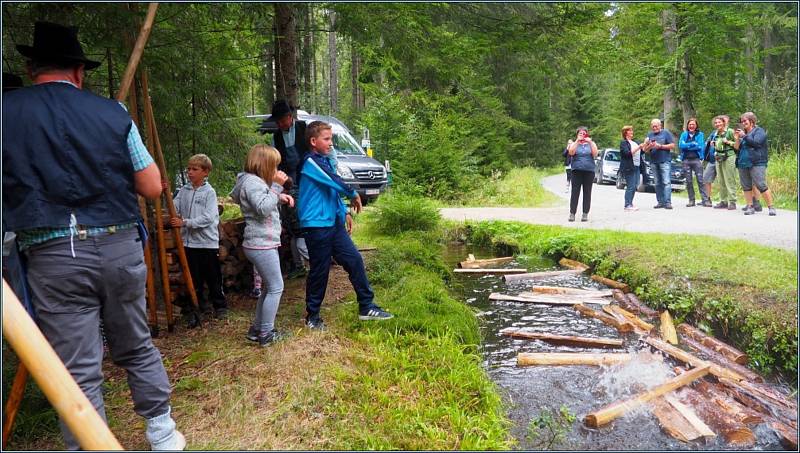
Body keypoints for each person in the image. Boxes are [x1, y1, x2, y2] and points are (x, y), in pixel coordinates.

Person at [2, 22, 183, 450]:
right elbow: (153, 186)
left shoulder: (6, 113)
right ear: (79, 71)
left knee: (78, 368)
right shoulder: (112, 114)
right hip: (119, 247)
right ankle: (163, 433)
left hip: (53, 256)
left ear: (31, 69)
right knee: (136, 344)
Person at [298, 121, 393, 329]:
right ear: (313, 141)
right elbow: (333, 181)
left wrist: (344, 212)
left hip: (333, 224)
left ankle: (366, 306)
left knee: (354, 260)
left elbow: (330, 192)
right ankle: (312, 317)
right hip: (316, 226)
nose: (331, 143)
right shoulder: (310, 162)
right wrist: (352, 193)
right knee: (320, 270)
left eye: (331, 139)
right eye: (327, 139)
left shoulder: (325, 161)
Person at [230, 144, 294, 346]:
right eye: (274, 166)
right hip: (261, 243)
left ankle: (257, 329)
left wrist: (279, 197)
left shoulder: (251, 182)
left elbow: (261, 202)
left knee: (268, 287)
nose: (276, 171)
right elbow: (262, 209)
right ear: (264, 165)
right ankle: (266, 333)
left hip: (259, 242)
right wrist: (276, 187)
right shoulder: (254, 183)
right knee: (276, 287)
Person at [170, 154, 228, 323]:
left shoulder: (209, 192)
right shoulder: (184, 191)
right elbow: (174, 206)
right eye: (189, 169)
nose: (190, 172)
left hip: (206, 243)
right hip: (189, 243)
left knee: (213, 276)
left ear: (205, 172)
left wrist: (185, 222)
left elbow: (209, 217)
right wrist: (164, 192)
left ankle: (220, 306)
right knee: (194, 278)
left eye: (194, 169)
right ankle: (198, 307)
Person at [270, 100, 309, 279]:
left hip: (306, 176)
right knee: (291, 218)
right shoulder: (276, 136)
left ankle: (313, 257)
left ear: (289, 117)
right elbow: (275, 163)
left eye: (282, 120)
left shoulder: (304, 128)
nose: (280, 124)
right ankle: (298, 262)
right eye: (277, 121)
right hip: (287, 180)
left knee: (305, 216)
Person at [734, 112, 777, 216]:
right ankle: (750, 206)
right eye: (742, 121)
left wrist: (744, 136)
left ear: (752, 121)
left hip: (757, 162)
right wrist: (736, 139)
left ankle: (771, 207)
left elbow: (757, 143)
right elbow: (736, 149)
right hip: (742, 163)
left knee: (761, 184)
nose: (743, 123)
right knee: (746, 186)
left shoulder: (759, 131)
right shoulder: (742, 133)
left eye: (745, 121)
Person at [642, 118, 676, 210]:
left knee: (666, 182)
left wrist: (660, 146)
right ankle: (660, 202)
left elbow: (672, 145)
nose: (654, 128)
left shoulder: (666, 133)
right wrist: (648, 145)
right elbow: (645, 150)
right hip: (653, 161)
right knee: (657, 183)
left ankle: (667, 202)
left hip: (664, 161)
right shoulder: (649, 135)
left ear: (660, 125)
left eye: (656, 126)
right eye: (653, 126)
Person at [566, 126, 598, 222]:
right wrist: (577, 141)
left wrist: (590, 142)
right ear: (577, 134)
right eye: (580, 133)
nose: (582, 135)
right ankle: (572, 213)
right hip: (576, 170)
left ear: (587, 134)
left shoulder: (591, 143)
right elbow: (571, 152)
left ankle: (585, 213)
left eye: (584, 133)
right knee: (575, 192)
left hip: (589, 171)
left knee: (587, 192)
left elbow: (595, 153)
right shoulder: (574, 143)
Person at [678, 117, 710, 207]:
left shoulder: (700, 134)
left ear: (696, 126)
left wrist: (687, 145)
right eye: (690, 124)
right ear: (687, 126)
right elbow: (680, 145)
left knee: (700, 180)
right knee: (688, 181)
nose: (691, 126)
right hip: (686, 160)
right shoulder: (684, 134)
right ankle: (691, 200)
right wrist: (692, 144)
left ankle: (705, 200)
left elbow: (700, 146)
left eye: (693, 124)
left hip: (696, 159)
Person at [711, 115, 738, 210]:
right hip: (719, 157)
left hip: (729, 157)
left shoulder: (730, 131)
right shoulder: (716, 133)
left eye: (719, 122)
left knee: (730, 179)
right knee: (721, 180)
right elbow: (717, 144)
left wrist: (728, 142)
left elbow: (738, 145)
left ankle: (732, 201)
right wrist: (714, 144)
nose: (717, 124)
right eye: (716, 123)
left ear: (724, 122)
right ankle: (723, 201)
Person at [619, 125, 644, 211]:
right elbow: (627, 154)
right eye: (630, 131)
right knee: (631, 186)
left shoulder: (635, 142)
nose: (632, 132)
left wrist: (649, 145)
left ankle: (630, 203)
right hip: (628, 167)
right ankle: (627, 205)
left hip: (637, 166)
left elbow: (642, 152)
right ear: (626, 133)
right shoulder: (624, 143)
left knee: (635, 185)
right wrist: (638, 147)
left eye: (632, 130)